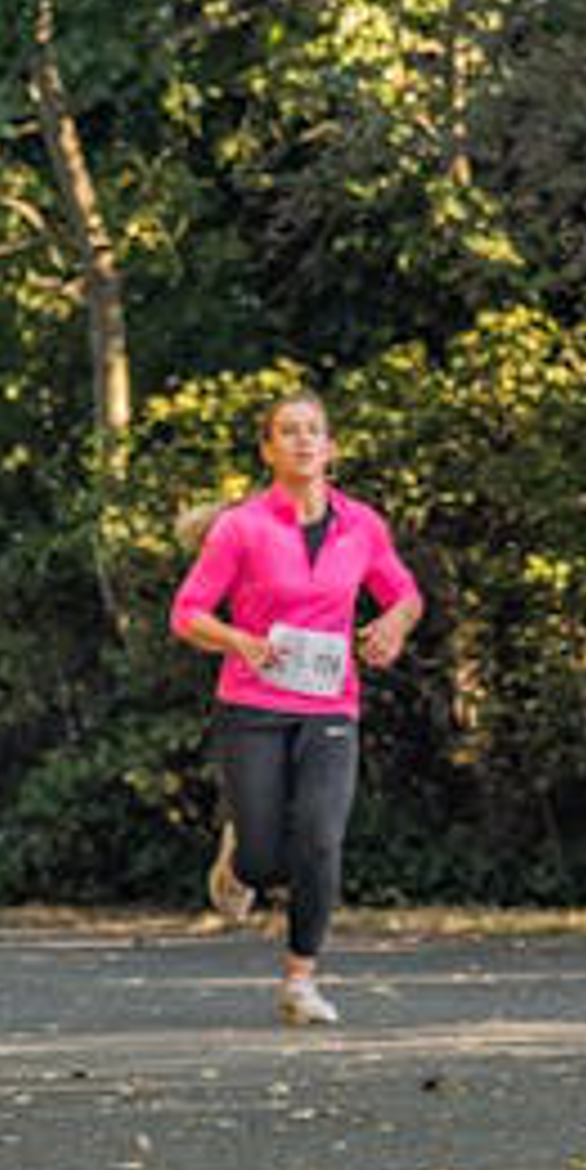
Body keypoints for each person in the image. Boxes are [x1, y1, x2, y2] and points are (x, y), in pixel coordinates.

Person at [168, 389, 422, 1025]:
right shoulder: (242, 528)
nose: (304, 440)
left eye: (314, 430)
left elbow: (405, 593)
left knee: (320, 839)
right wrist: (239, 641)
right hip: (251, 703)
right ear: (268, 449)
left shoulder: (361, 525)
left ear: (330, 447)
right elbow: (187, 613)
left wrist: (393, 624)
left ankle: (300, 980)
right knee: (261, 858)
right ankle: (240, 856)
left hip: (330, 706)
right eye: (289, 431)